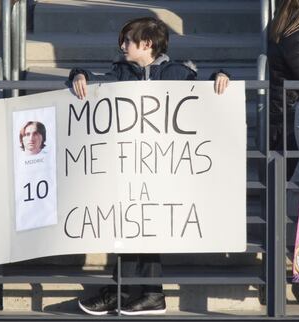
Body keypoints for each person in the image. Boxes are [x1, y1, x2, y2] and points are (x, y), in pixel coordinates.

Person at [68, 17, 230, 316]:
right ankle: (126, 290)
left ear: (147, 44)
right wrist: (78, 75)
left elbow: (205, 92)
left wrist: (220, 75)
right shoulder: (121, 71)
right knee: (129, 224)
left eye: (127, 40)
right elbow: (95, 81)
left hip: (164, 167)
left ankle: (147, 292)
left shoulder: (178, 73)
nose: (122, 46)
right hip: (129, 165)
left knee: (150, 226)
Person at [268, 0, 299, 177]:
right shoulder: (295, 36)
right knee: (283, 188)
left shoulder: (287, 30)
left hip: (284, 118)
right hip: (289, 122)